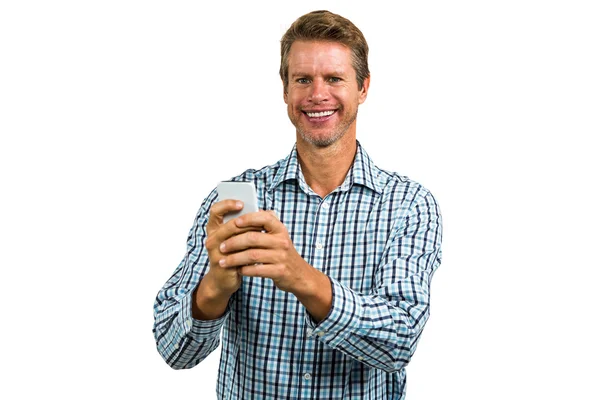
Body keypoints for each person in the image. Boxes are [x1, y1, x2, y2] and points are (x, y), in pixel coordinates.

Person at [153, 10, 442, 400]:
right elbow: (173, 351)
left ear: (363, 88)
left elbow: (399, 342)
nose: (316, 94)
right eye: (302, 79)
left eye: (334, 78)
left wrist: (301, 277)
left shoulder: (408, 205)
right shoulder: (236, 199)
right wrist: (213, 290)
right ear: (285, 90)